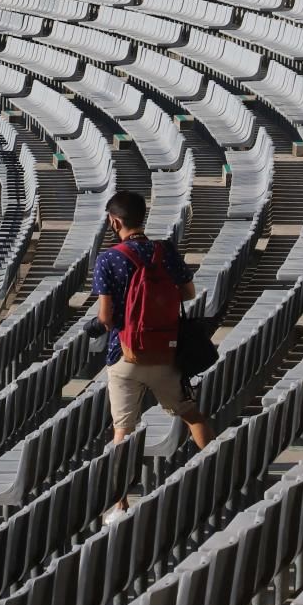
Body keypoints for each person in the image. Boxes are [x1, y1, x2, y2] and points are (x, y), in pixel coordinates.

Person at [92, 191, 213, 512]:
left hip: (125, 354)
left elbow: (105, 316)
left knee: (122, 431)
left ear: (114, 221)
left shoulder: (108, 259)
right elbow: (188, 292)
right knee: (191, 414)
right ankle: (218, 473)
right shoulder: (164, 250)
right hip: (165, 352)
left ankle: (120, 505)